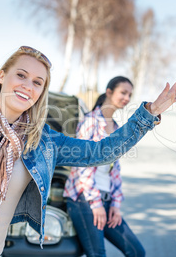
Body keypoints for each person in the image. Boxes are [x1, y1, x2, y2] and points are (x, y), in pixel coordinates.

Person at [0, 45, 176, 257]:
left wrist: (149, 113)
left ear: (41, 92)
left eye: (38, 82)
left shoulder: (43, 141)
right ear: (2, 76)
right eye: (21, 75)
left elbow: (102, 151)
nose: (28, 86)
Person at [64, 76, 146, 257]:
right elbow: (81, 165)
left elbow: (114, 171)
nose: (126, 98)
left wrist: (115, 204)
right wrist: (95, 203)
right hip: (84, 199)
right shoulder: (90, 122)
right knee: (97, 254)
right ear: (109, 92)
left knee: (136, 251)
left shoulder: (116, 127)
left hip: (107, 199)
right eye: (123, 92)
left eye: (130, 95)